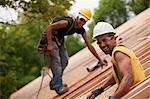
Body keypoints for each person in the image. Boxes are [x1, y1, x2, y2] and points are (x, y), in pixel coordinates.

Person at [38, 9, 105, 95]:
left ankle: (55, 81)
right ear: (77, 17)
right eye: (81, 19)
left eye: (84, 21)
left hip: (59, 40)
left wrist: (100, 60)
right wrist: (50, 45)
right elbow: (50, 27)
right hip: (50, 38)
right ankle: (58, 86)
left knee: (65, 61)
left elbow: (89, 45)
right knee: (57, 61)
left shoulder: (81, 30)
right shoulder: (67, 22)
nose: (82, 22)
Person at [87, 22, 145, 99]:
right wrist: (101, 88)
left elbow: (128, 78)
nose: (102, 45)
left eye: (104, 40)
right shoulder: (118, 52)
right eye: (99, 43)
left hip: (138, 92)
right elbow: (116, 74)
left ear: (114, 38)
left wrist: (113, 97)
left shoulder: (118, 53)